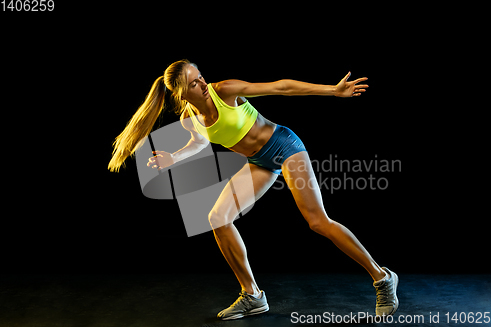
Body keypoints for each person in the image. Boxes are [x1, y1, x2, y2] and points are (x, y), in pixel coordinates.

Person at [108, 59, 399, 320]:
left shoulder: (224, 90)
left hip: (285, 146)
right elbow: (199, 142)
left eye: (201, 76)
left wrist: (332, 91)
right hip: (259, 161)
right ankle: (253, 295)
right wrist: (174, 157)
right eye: (193, 83)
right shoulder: (189, 118)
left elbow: (281, 87)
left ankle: (382, 277)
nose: (202, 84)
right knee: (218, 218)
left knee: (317, 221)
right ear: (181, 93)